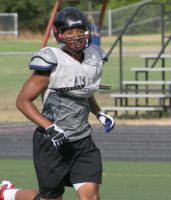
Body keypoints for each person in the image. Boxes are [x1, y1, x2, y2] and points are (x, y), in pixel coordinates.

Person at [0, 7, 115, 200]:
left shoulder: (94, 57)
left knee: (91, 196)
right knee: (51, 198)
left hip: (82, 140)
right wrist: (49, 127)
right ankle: (9, 193)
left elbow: (82, 89)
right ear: (59, 35)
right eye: (69, 32)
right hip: (52, 143)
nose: (76, 36)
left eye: (80, 30)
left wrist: (99, 113)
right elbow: (22, 101)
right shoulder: (53, 62)